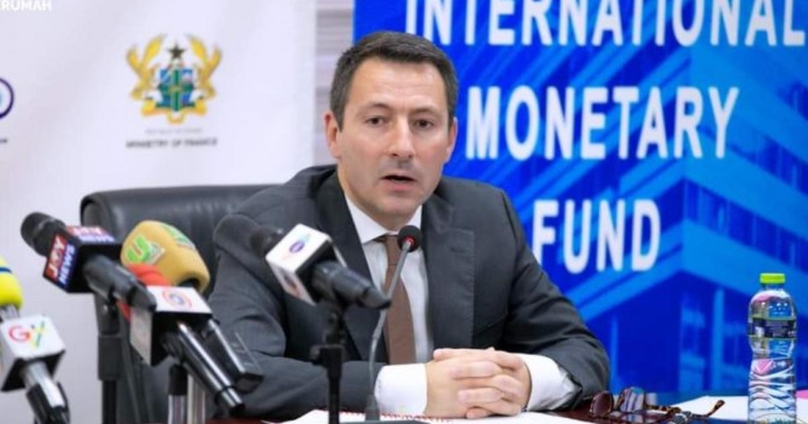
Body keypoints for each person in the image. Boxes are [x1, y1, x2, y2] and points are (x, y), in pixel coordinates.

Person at [208, 30, 609, 421]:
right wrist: (416, 390)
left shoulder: (486, 216)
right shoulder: (268, 232)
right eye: (377, 120)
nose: (402, 147)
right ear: (334, 133)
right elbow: (238, 372)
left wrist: (524, 381)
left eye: (423, 124)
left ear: (450, 139)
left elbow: (580, 351)